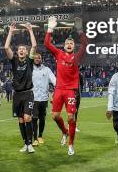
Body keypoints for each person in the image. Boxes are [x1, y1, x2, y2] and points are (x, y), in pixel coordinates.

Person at [44, 16, 87, 156]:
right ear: (64, 45)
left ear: (74, 46)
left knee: (71, 118)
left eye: (71, 43)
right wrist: (50, 28)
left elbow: (85, 44)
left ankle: (71, 145)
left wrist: (80, 30)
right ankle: (65, 132)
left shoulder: (77, 57)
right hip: (59, 89)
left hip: (70, 91)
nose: (69, 44)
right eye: (67, 43)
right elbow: (46, 44)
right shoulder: (59, 54)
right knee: (55, 116)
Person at [4, 22, 37, 153]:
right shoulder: (14, 61)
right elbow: (6, 48)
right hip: (17, 95)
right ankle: (26, 143)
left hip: (28, 93)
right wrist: (11, 32)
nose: (22, 50)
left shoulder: (29, 61)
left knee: (27, 118)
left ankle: (30, 144)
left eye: (24, 49)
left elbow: (34, 45)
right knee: (20, 119)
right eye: (19, 49)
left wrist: (30, 30)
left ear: (27, 52)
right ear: (17, 52)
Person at [31, 52, 56, 145]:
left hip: (44, 98)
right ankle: (34, 138)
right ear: (33, 59)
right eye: (36, 58)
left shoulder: (47, 70)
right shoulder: (30, 70)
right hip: (33, 98)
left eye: (39, 58)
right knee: (34, 118)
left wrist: (57, 89)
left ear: (41, 59)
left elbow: (54, 80)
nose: (37, 59)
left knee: (42, 118)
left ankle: (40, 136)